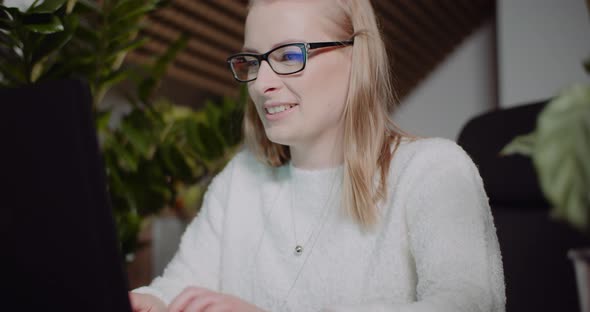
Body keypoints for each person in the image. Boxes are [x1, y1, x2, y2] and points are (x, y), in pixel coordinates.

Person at [129, 0, 506, 311]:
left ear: (356, 57)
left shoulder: (434, 171)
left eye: (290, 55)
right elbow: (179, 287)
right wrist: (149, 301)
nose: (261, 84)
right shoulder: (240, 180)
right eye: (253, 61)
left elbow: (466, 305)